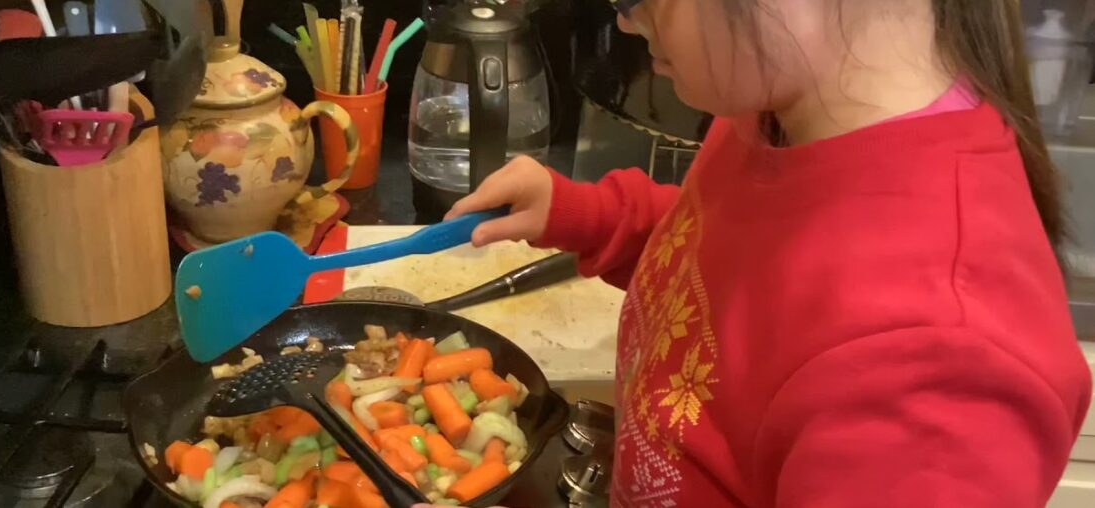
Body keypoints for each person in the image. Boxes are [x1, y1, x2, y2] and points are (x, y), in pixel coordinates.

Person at [418, 0, 1094, 506]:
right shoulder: (783, 116)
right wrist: (588, 216)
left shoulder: (934, 383)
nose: (625, 18)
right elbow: (725, 268)